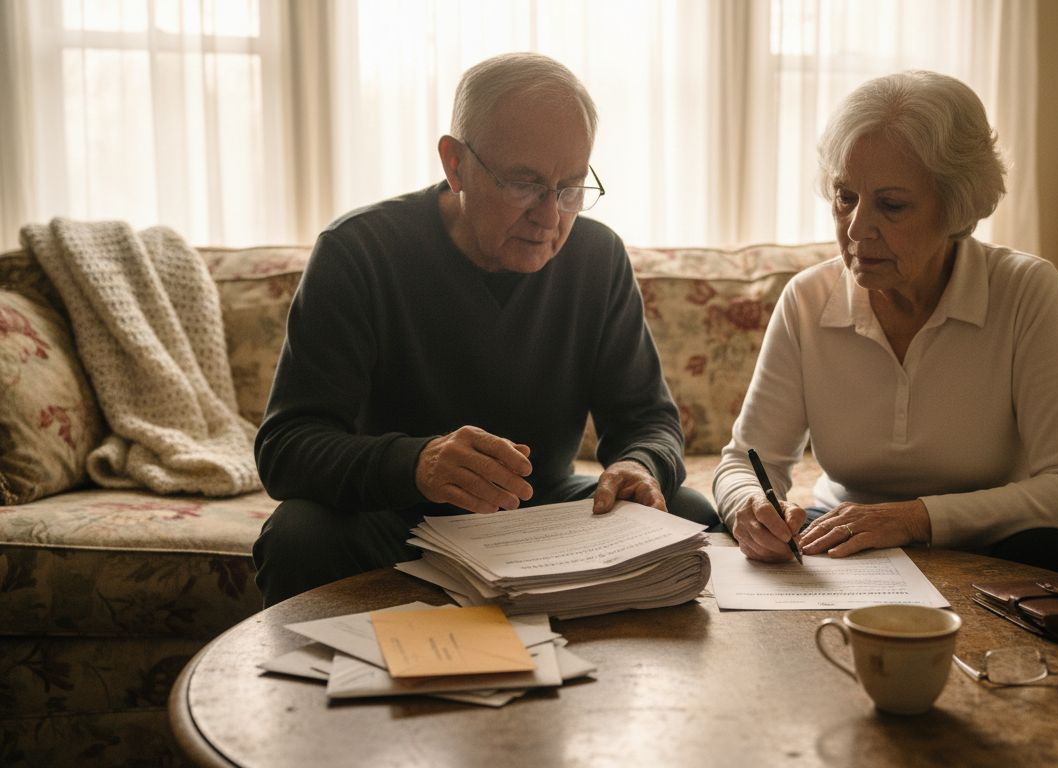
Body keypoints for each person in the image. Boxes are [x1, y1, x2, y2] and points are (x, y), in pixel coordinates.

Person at [253, 53, 716, 606]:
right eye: (524, 184)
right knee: (299, 534)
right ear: (455, 164)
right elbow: (286, 447)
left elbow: (647, 420)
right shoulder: (358, 252)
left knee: (685, 512)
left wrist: (638, 465)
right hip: (392, 517)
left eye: (570, 188)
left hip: (540, 517)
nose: (550, 217)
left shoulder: (598, 258)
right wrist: (417, 464)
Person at [712, 71, 1058, 579]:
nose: (857, 229)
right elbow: (746, 461)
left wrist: (914, 518)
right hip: (844, 539)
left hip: (985, 543)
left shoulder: (1025, 290)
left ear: (957, 205)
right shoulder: (808, 299)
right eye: (845, 197)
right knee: (711, 528)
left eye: (891, 205)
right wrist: (750, 507)